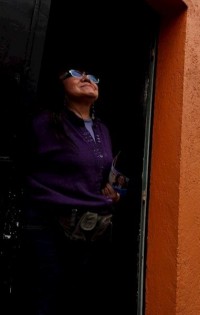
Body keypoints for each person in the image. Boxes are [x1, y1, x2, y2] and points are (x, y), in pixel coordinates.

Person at [15, 67, 120, 315]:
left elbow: (98, 172)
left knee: (75, 297)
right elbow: (23, 163)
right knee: (44, 296)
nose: (87, 78)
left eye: (94, 76)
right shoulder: (44, 123)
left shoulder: (102, 129)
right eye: (75, 73)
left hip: (88, 228)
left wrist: (110, 192)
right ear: (60, 85)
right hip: (48, 223)